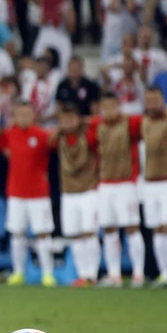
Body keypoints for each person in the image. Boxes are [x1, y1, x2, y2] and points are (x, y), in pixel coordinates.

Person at [87, 92, 146, 288]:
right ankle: (114, 275)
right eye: (105, 107)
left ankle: (138, 274)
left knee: (131, 228)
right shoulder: (97, 125)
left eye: (112, 106)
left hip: (126, 183)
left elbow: (148, 121)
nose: (109, 110)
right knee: (109, 229)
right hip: (105, 183)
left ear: (119, 106)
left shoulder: (130, 123)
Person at [0, 99, 56, 287]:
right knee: (17, 234)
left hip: (39, 194)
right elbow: (4, 150)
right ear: (14, 116)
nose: (23, 117)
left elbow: (58, 142)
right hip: (16, 193)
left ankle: (47, 274)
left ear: (33, 115)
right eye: (20, 114)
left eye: (27, 114)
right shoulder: (8, 134)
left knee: (42, 234)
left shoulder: (42, 135)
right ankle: (18, 272)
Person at [140, 87, 167, 288]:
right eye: (148, 100)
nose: (152, 104)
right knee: (156, 229)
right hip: (150, 182)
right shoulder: (144, 122)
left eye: (155, 99)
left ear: (163, 100)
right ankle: (165, 273)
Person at [51, 103, 100, 286]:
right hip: (68, 193)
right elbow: (47, 141)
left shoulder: (89, 135)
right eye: (64, 119)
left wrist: (87, 121)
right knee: (75, 235)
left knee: (89, 233)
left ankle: (92, 275)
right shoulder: (59, 139)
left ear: (79, 119)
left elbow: (100, 123)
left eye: (71, 118)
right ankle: (82, 274)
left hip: (88, 190)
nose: (68, 123)